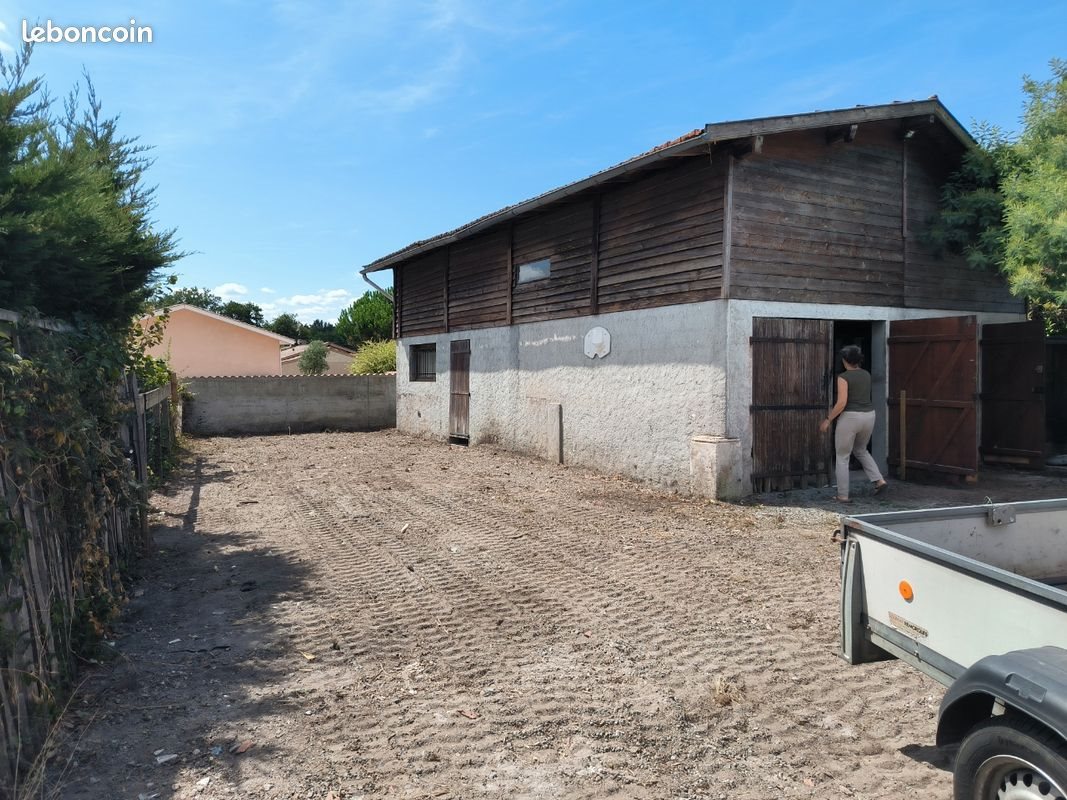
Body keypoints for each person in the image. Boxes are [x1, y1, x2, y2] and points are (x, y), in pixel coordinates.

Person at [819, 345, 887, 503]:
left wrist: (828, 419)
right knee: (861, 450)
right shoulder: (866, 374)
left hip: (850, 418)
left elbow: (842, 402)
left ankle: (843, 495)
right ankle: (879, 480)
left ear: (844, 360)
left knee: (842, 456)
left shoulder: (844, 377)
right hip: (869, 416)